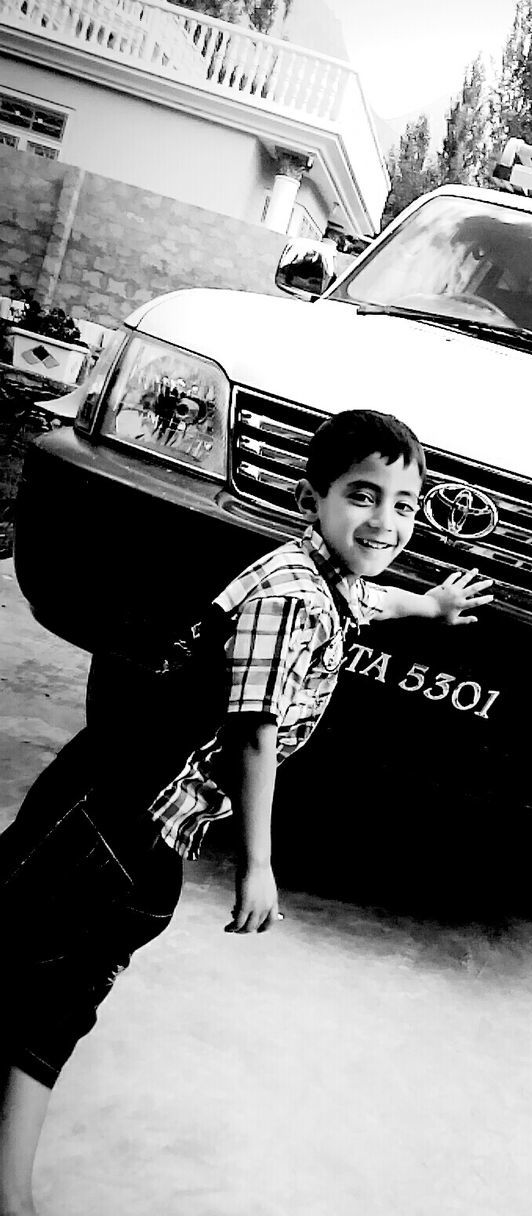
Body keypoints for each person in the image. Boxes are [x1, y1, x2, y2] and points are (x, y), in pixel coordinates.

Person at [0, 408, 492, 1216]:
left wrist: (430, 608)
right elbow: (252, 735)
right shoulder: (293, 597)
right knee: (43, 983)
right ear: (313, 498)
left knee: (45, 976)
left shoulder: (321, 577)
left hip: (134, 810)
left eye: (404, 505)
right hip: (116, 812)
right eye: (363, 496)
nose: (384, 521)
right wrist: (260, 866)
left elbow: (366, 603)